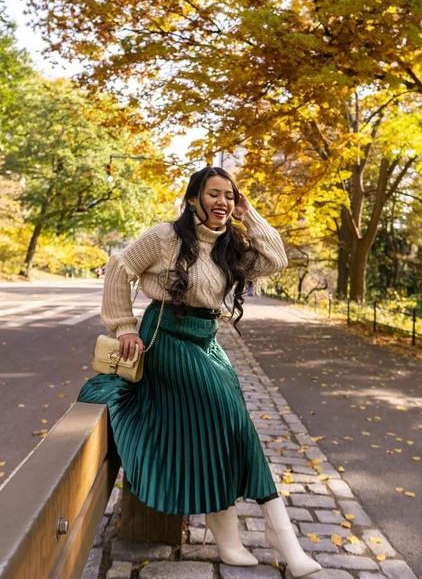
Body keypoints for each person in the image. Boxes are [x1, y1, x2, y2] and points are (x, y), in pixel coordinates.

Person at [77, 166, 322, 577]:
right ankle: (283, 543)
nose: (222, 201)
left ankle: (235, 539)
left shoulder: (230, 247)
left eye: (229, 195)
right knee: (232, 421)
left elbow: (276, 259)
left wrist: (250, 212)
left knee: (231, 428)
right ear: (193, 198)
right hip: (167, 338)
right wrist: (123, 326)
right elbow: (119, 268)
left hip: (207, 340)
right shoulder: (164, 237)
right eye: (213, 194)